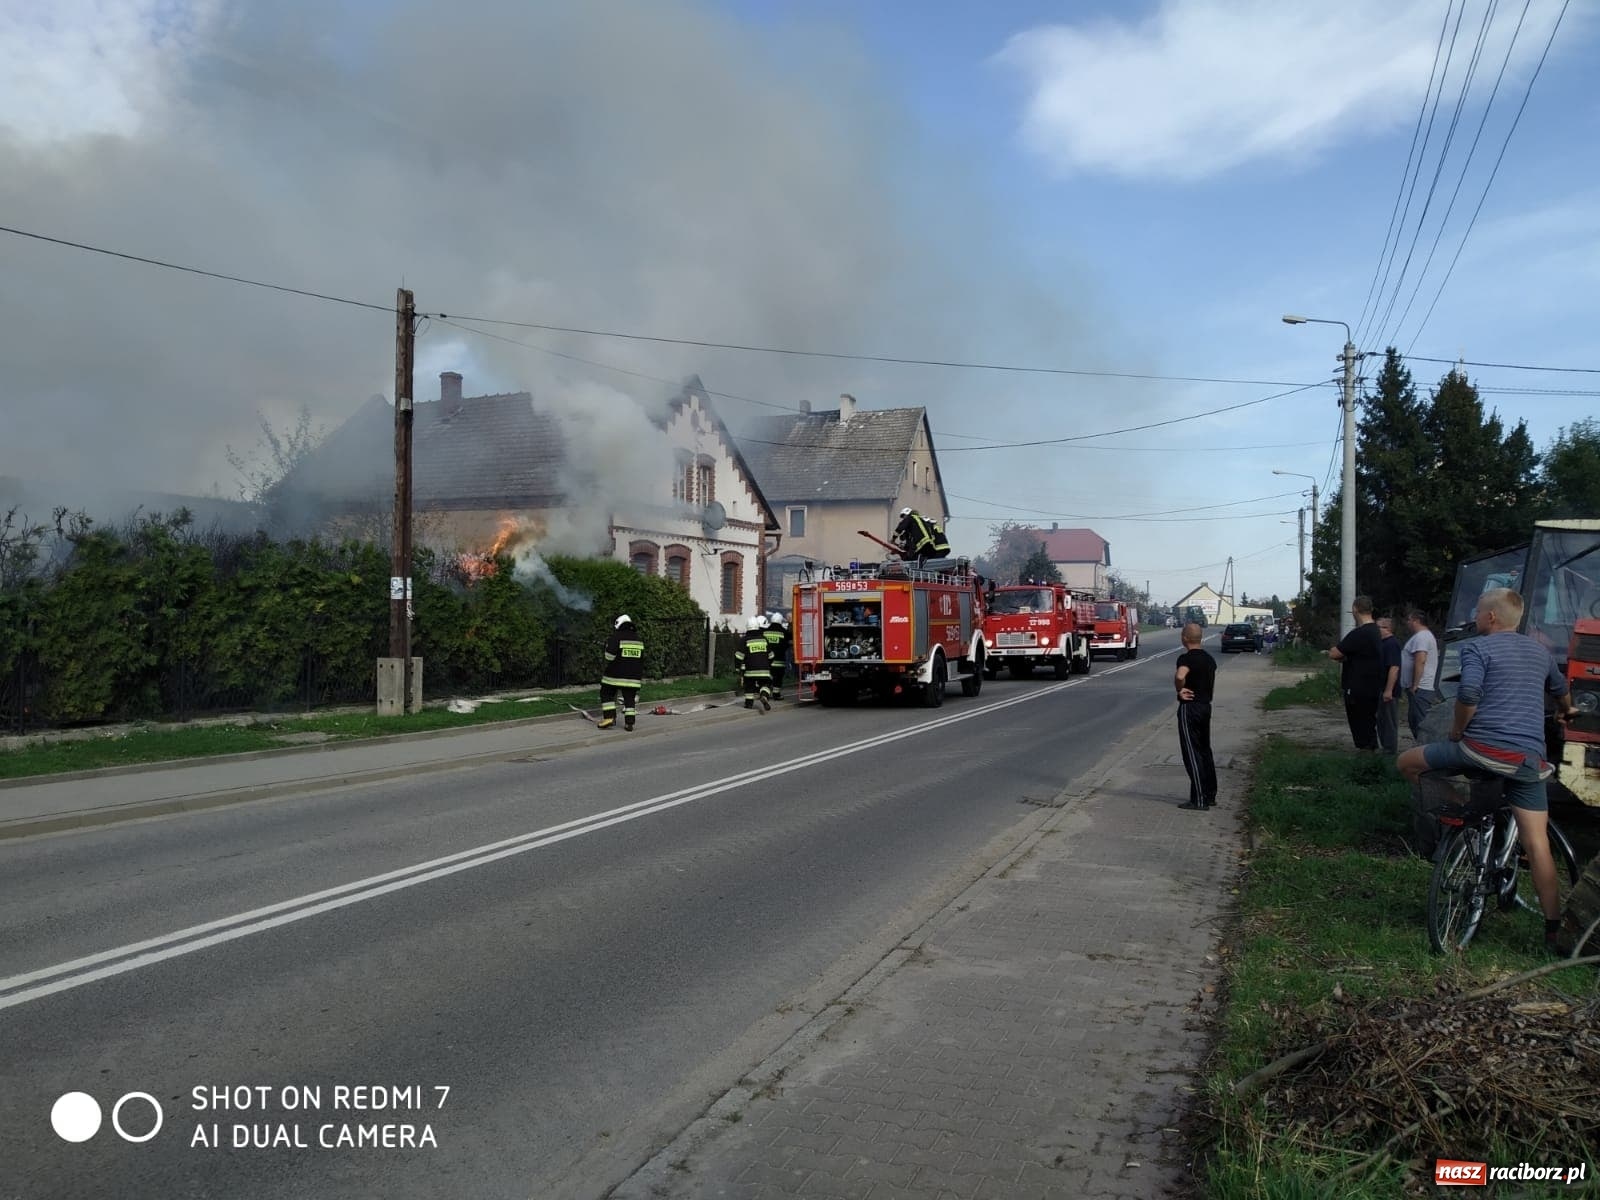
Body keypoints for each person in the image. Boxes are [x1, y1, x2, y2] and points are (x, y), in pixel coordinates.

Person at [1397, 588, 1580, 953]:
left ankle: (1464, 826)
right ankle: (1553, 932)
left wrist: (1457, 731)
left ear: (1491, 617)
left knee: (1407, 763)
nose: (1475, 618)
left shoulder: (1477, 649)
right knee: (1538, 843)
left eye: (1478, 612)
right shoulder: (1541, 652)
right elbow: (1561, 691)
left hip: (1479, 752)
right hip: (1527, 760)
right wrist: (1565, 711)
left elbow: (1468, 696)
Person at [1328, 596, 1383, 750]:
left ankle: (1366, 758)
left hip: (1357, 688)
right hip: (1372, 686)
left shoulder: (1360, 633)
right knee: (1369, 723)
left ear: (1355, 610)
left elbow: (1335, 653)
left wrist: (1341, 654)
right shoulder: (1375, 631)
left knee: (1360, 725)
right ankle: (1371, 755)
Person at [1174, 622, 1219, 811]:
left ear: (1184, 638)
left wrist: (1180, 690)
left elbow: (1180, 675)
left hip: (1189, 708)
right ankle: (1210, 795)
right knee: (1204, 751)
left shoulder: (1186, 658)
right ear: (1200, 638)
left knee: (1191, 753)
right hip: (1205, 706)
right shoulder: (1209, 659)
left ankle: (1198, 799)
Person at [598, 614, 644, 730]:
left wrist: (607, 647)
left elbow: (609, 657)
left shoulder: (616, 637)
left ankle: (609, 718)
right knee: (629, 699)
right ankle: (629, 723)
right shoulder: (638, 639)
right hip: (633, 677)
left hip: (615, 676)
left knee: (606, 693)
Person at [1402, 609, 1442, 740]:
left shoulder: (1422, 637)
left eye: (1408, 619)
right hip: (1420, 687)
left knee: (1420, 721)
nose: (1407, 623)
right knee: (1415, 719)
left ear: (1416, 621)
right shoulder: (1423, 636)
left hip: (1421, 688)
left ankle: (1424, 749)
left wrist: (1415, 684)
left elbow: (1420, 660)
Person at [734, 614, 773, 712]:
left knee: (749, 687)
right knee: (766, 684)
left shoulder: (745, 640)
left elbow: (738, 656)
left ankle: (749, 704)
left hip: (750, 671)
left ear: (747, 627)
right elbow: (771, 656)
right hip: (764, 670)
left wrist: (737, 668)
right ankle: (764, 695)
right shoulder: (764, 639)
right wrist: (768, 664)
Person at [1376, 616, 1403, 754]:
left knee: (1388, 721)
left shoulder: (1391, 644)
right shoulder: (1383, 643)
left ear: (1387, 629)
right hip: (1380, 688)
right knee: (1381, 720)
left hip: (1388, 690)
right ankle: (1385, 747)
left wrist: (1388, 690)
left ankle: (1390, 750)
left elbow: (1394, 668)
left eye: (1378, 626)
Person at [763, 612, 790, 699]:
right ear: (780, 621)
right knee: (778, 678)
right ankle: (776, 695)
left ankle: (765, 693)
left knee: (768, 678)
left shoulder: (765, 632)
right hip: (779, 661)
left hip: (767, 661)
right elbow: (787, 644)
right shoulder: (783, 632)